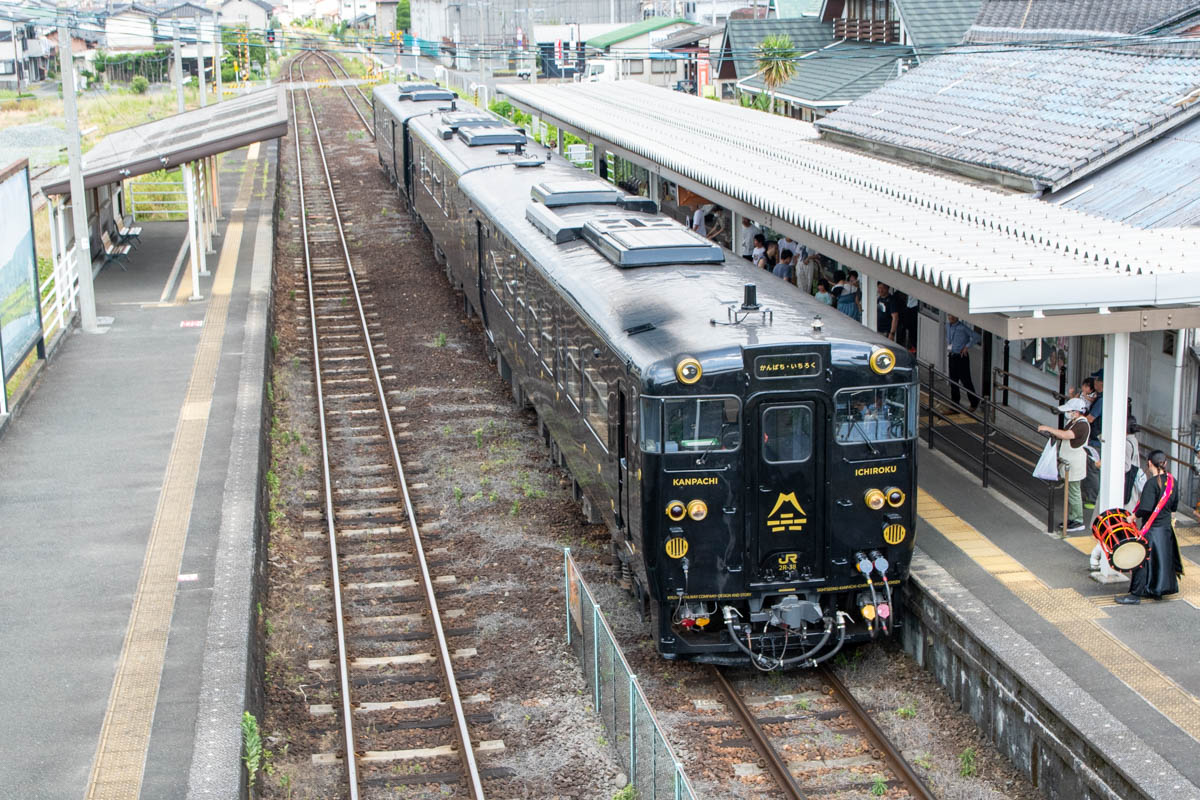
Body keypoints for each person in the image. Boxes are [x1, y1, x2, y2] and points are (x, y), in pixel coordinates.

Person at [1116, 450, 1183, 604]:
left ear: (1149, 463)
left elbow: (1145, 508)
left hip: (1152, 530)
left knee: (1142, 560)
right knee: (1162, 560)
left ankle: (1135, 594)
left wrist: (1133, 516)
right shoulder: (1173, 481)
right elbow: (1174, 506)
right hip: (1165, 529)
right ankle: (1157, 590)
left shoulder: (1151, 483)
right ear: (1165, 463)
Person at [1038, 397, 1090, 532]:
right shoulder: (1075, 422)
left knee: (1074, 492)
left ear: (1077, 412)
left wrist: (1048, 428)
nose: (1068, 413)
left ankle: (1077, 520)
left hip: (1074, 465)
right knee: (1072, 492)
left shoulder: (1082, 425)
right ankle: (1074, 518)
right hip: (1070, 463)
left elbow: (1066, 435)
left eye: (1070, 411)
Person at [945, 314, 980, 411]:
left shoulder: (962, 328)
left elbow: (977, 337)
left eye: (952, 316)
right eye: (949, 315)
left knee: (966, 380)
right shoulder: (947, 326)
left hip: (961, 356)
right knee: (953, 381)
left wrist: (967, 347)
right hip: (952, 355)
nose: (950, 317)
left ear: (957, 317)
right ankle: (954, 404)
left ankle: (974, 401)